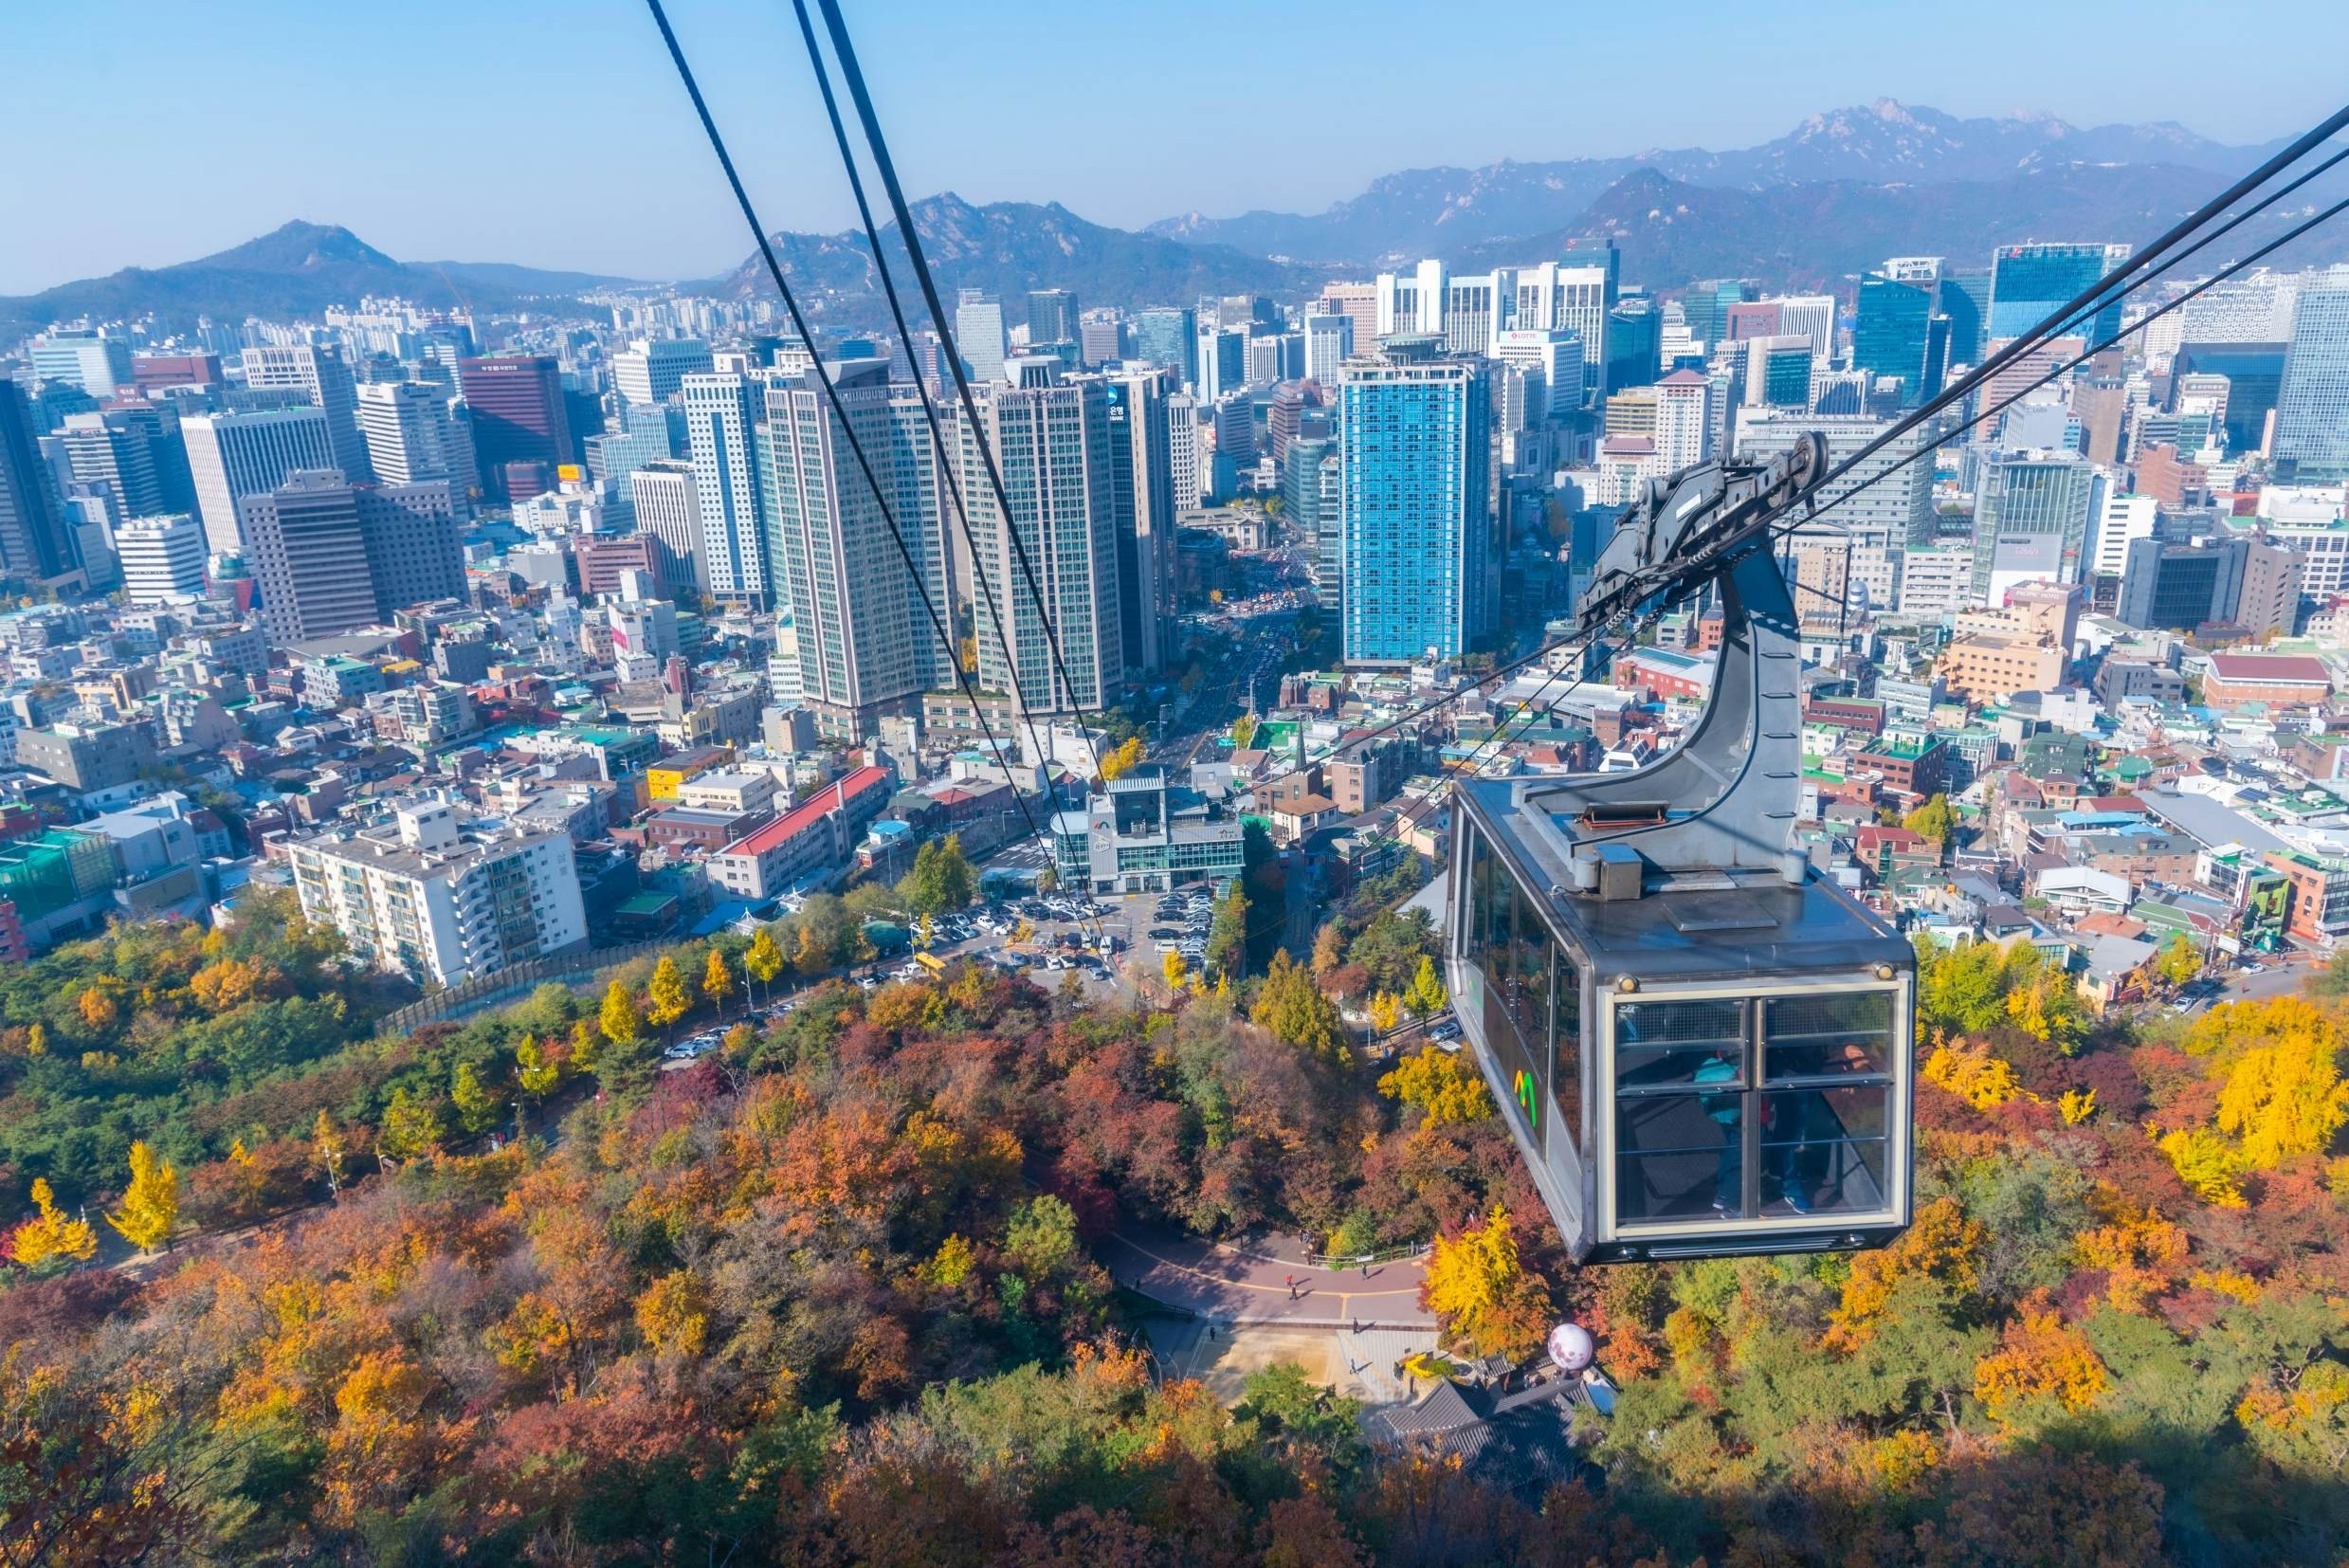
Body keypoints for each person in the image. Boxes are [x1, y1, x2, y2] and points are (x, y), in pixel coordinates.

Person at [1693, 1046, 1741, 1216]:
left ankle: (1723, 1192)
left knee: (1733, 1149)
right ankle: (1730, 1201)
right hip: (1739, 1114)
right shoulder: (1739, 1069)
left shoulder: (1714, 1063)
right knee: (1739, 1155)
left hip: (1725, 1115)